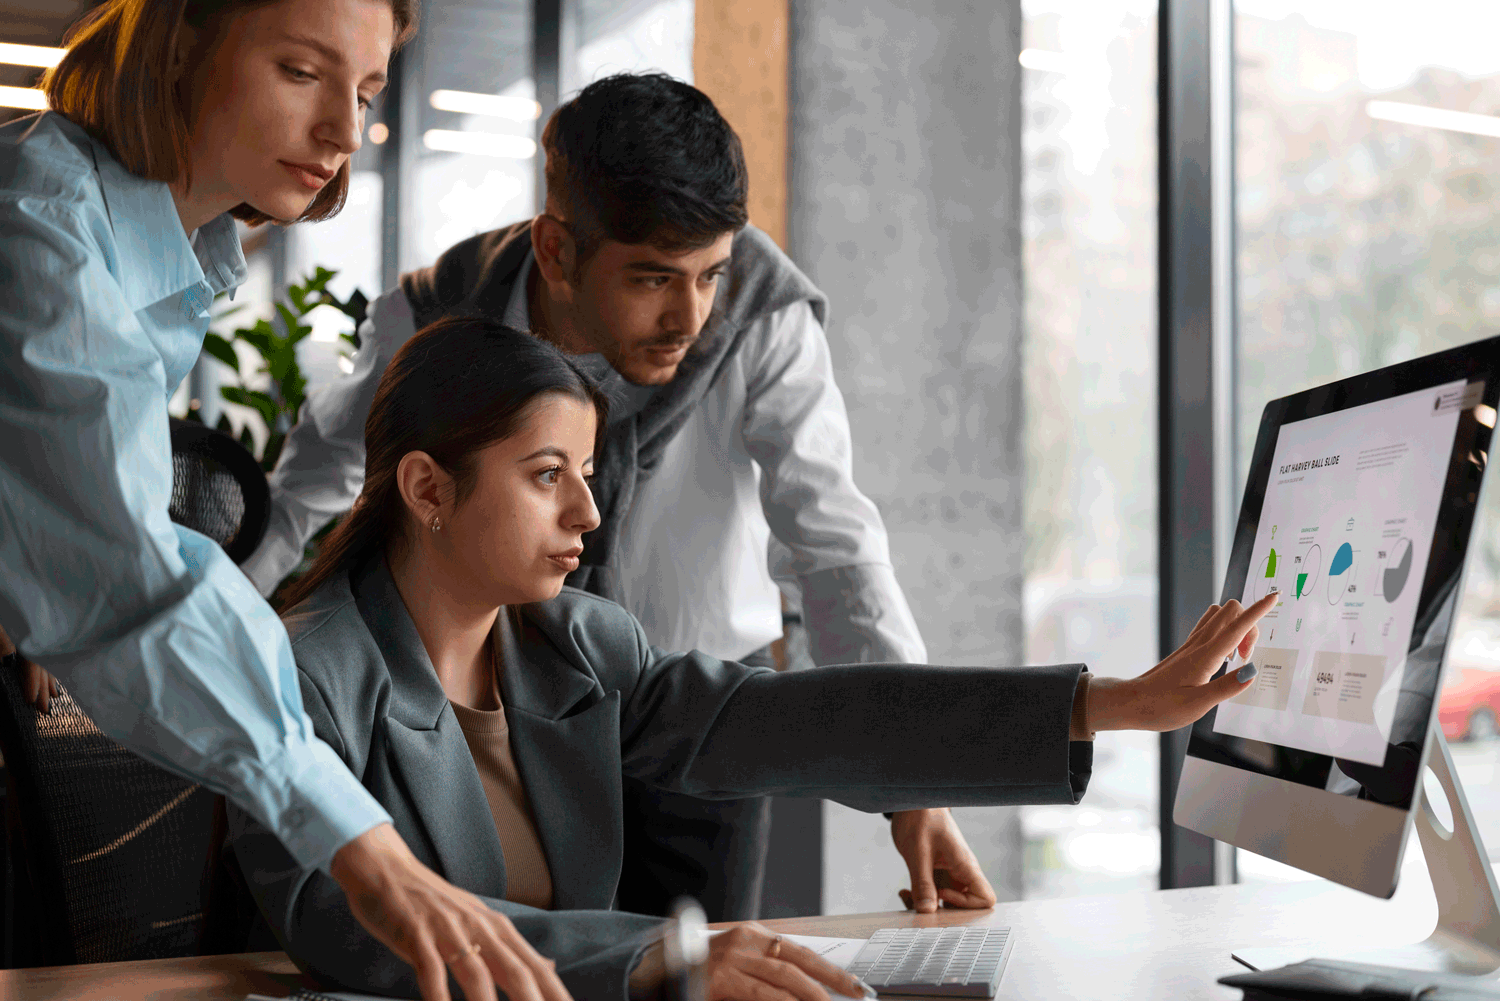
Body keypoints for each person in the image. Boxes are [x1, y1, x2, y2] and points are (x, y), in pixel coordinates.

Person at [227, 315, 1272, 1001]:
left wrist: (1106, 704)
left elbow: (806, 721)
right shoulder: (299, 674)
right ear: (427, 489)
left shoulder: (578, 645)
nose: (588, 512)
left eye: (587, 473)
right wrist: (650, 954)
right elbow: (348, 921)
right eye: (549, 474)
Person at [239, 70, 990, 922]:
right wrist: (204, 631)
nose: (692, 318)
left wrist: (916, 781)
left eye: (710, 275)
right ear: (556, 250)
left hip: (697, 710)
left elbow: (835, 547)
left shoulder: (765, 314)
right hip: (507, 714)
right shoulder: (445, 312)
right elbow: (314, 478)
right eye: (653, 279)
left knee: (703, 977)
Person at [0, 4, 571, 1001]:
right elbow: (134, 576)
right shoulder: (39, 229)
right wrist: (364, 842)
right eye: (302, 72)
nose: (346, 133)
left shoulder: (150, 244)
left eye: (361, 92)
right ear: (178, 47)